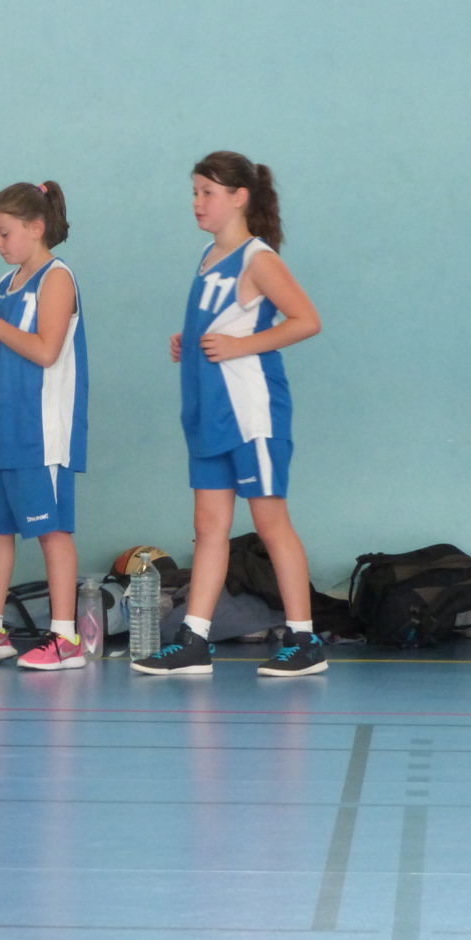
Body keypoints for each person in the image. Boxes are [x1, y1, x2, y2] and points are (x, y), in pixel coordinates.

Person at [134, 151, 327, 677]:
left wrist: (242, 346)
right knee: (208, 527)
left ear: (239, 197)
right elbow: (226, 321)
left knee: (270, 522)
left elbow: (306, 320)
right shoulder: (208, 256)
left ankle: (305, 639)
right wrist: (191, 341)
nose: (197, 203)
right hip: (209, 413)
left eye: (208, 193)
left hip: (251, 414)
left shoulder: (257, 258)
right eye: (195, 193)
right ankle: (195, 638)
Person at [0, 181, 89, 671]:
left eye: (3, 232)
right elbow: (2, 358)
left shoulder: (57, 278)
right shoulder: (5, 285)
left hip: (39, 432)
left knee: (52, 531)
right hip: (1, 430)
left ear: (36, 227)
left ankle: (65, 636)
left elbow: (46, 351)